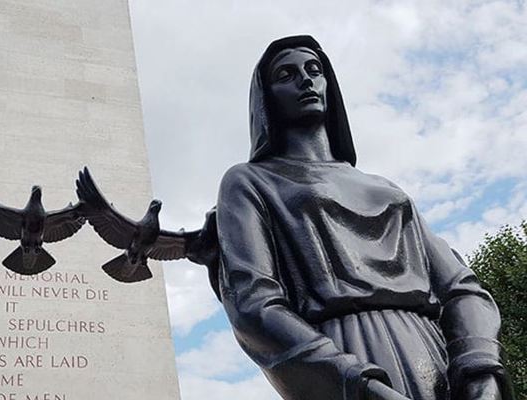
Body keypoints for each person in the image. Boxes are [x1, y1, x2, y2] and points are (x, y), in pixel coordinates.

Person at [216, 35, 511, 400]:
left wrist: (481, 369)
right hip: (343, 356)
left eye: (314, 70)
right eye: (285, 74)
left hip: (435, 358)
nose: (306, 80)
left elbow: (461, 287)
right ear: (265, 100)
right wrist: (354, 381)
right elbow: (254, 306)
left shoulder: (386, 189)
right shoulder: (249, 181)